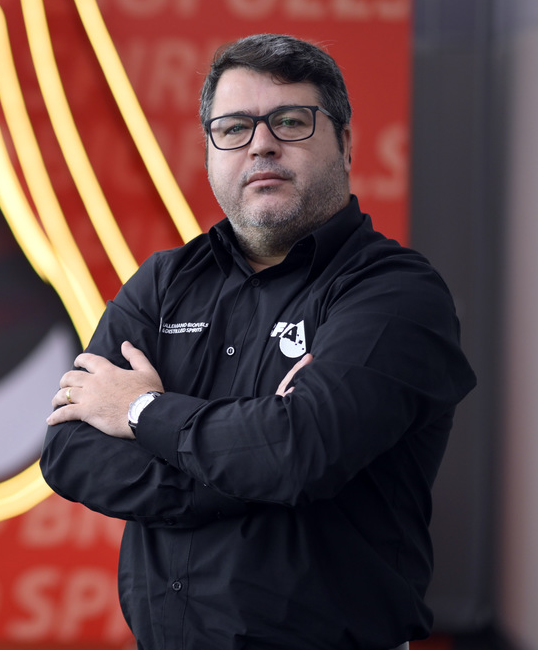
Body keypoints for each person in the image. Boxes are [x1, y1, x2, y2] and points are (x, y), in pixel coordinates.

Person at [40, 33, 475, 650]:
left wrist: (141, 412)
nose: (261, 144)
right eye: (234, 127)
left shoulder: (396, 293)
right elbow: (70, 453)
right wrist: (255, 460)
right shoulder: (163, 283)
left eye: (291, 122)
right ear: (210, 151)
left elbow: (301, 450)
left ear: (345, 143)